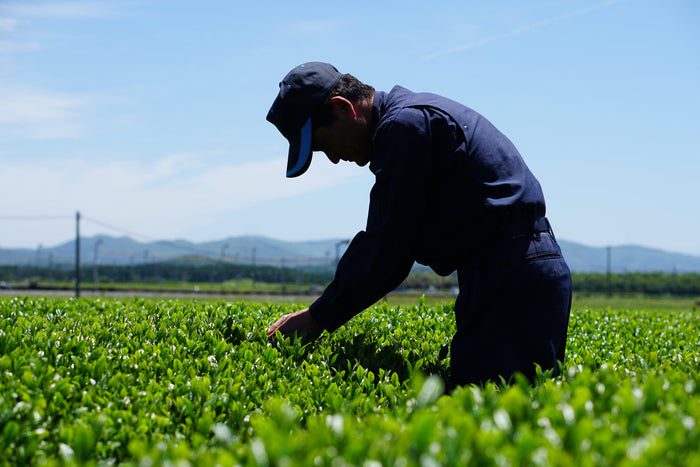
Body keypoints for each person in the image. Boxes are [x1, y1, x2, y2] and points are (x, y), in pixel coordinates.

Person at [265, 62, 572, 386]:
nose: (334, 158)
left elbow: (388, 247)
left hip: (512, 270)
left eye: (323, 144)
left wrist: (316, 319)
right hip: (511, 264)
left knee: (493, 407)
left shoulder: (404, 126)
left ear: (344, 108)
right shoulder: (407, 121)